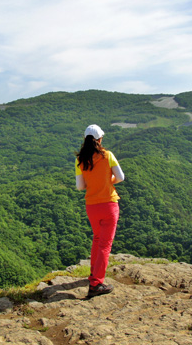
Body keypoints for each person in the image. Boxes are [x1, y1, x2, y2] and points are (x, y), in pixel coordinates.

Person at [75, 124, 125, 298]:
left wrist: (94, 183)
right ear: (99, 140)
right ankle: (96, 284)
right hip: (109, 205)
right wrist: (107, 181)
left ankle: (92, 275)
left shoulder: (80, 160)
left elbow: (80, 186)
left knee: (97, 239)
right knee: (105, 245)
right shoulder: (108, 155)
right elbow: (120, 177)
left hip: (91, 206)